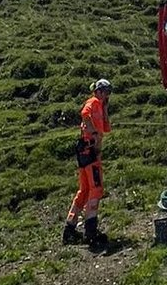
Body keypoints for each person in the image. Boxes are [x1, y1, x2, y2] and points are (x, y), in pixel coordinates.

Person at [63, 78, 112, 248]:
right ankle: (91, 231)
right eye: (104, 91)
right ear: (97, 91)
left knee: (84, 190)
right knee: (96, 188)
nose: (106, 95)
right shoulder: (93, 102)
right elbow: (84, 113)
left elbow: (106, 128)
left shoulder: (100, 105)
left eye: (108, 92)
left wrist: (105, 109)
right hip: (90, 152)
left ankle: (70, 227)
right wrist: (94, 133)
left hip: (85, 151)